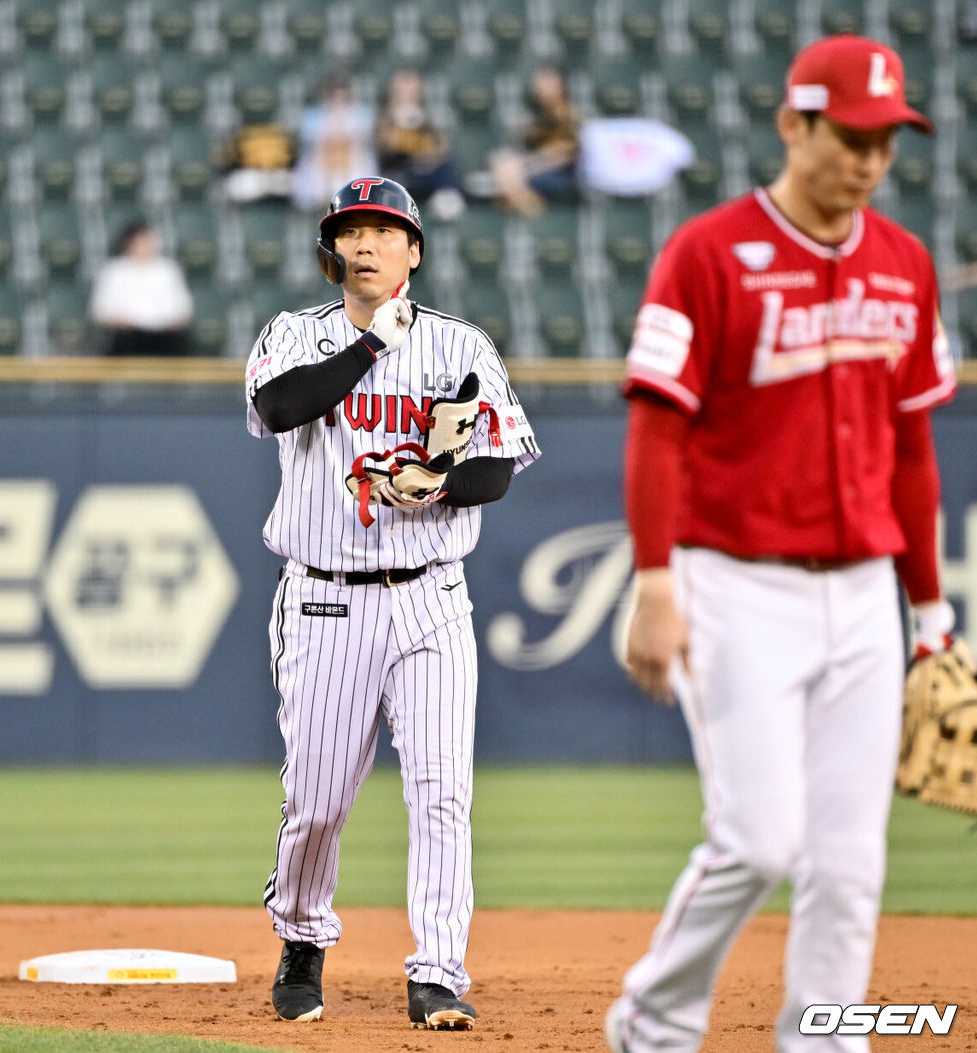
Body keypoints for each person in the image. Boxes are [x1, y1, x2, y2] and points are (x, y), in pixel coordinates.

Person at [607, 34, 957, 1053]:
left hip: (863, 599)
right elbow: (657, 430)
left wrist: (929, 613)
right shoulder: (706, 254)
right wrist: (656, 581)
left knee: (850, 864)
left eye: (885, 142)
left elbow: (913, 452)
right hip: (735, 584)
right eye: (849, 136)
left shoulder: (903, 265)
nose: (867, 161)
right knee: (758, 840)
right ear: (793, 124)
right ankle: (654, 1018)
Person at [244, 176, 540, 1030]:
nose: (365, 243)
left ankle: (438, 971)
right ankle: (302, 937)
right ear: (332, 250)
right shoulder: (295, 333)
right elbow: (279, 404)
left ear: (415, 249)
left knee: (442, 789)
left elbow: (497, 468)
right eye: (351, 230)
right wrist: (372, 346)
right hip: (327, 599)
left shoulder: (460, 347)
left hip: (431, 597)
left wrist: (440, 480)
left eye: (384, 229)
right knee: (319, 798)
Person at [88, 220, 193, 356]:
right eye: (139, 242)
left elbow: (183, 310)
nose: (144, 246)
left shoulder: (168, 269)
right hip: (128, 337)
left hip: (164, 337)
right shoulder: (114, 271)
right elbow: (100, 311)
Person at [486, 65, 580, 215]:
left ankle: (528, 209)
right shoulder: (538, 116)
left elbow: (565, 153)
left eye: (548, 83)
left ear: (561, 86)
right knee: (501, 160)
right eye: (540, 84)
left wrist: (528, 164)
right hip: (537, 168)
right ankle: (527, 205)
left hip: (563, 174)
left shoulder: (569, 114)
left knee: (508, 175)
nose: (542, 88)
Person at [375, 69, 466, 222]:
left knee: (446, 168)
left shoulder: (429, 115)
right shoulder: (385, 116)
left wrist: (428, 153)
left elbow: (441, 148)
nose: (408, 94)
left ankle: (446, 199)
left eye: (412, 90)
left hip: (426, 171)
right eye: (403, 90)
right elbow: (387, 146)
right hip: (399, 171)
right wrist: (397, 115)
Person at [290, 75, 377, 213]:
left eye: (343, 98)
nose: (338, 102)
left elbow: (361, 150)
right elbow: (312, 150)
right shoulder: (312, 117)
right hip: (320, 177)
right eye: (334, 97)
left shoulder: (360, 116)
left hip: (352, 172)